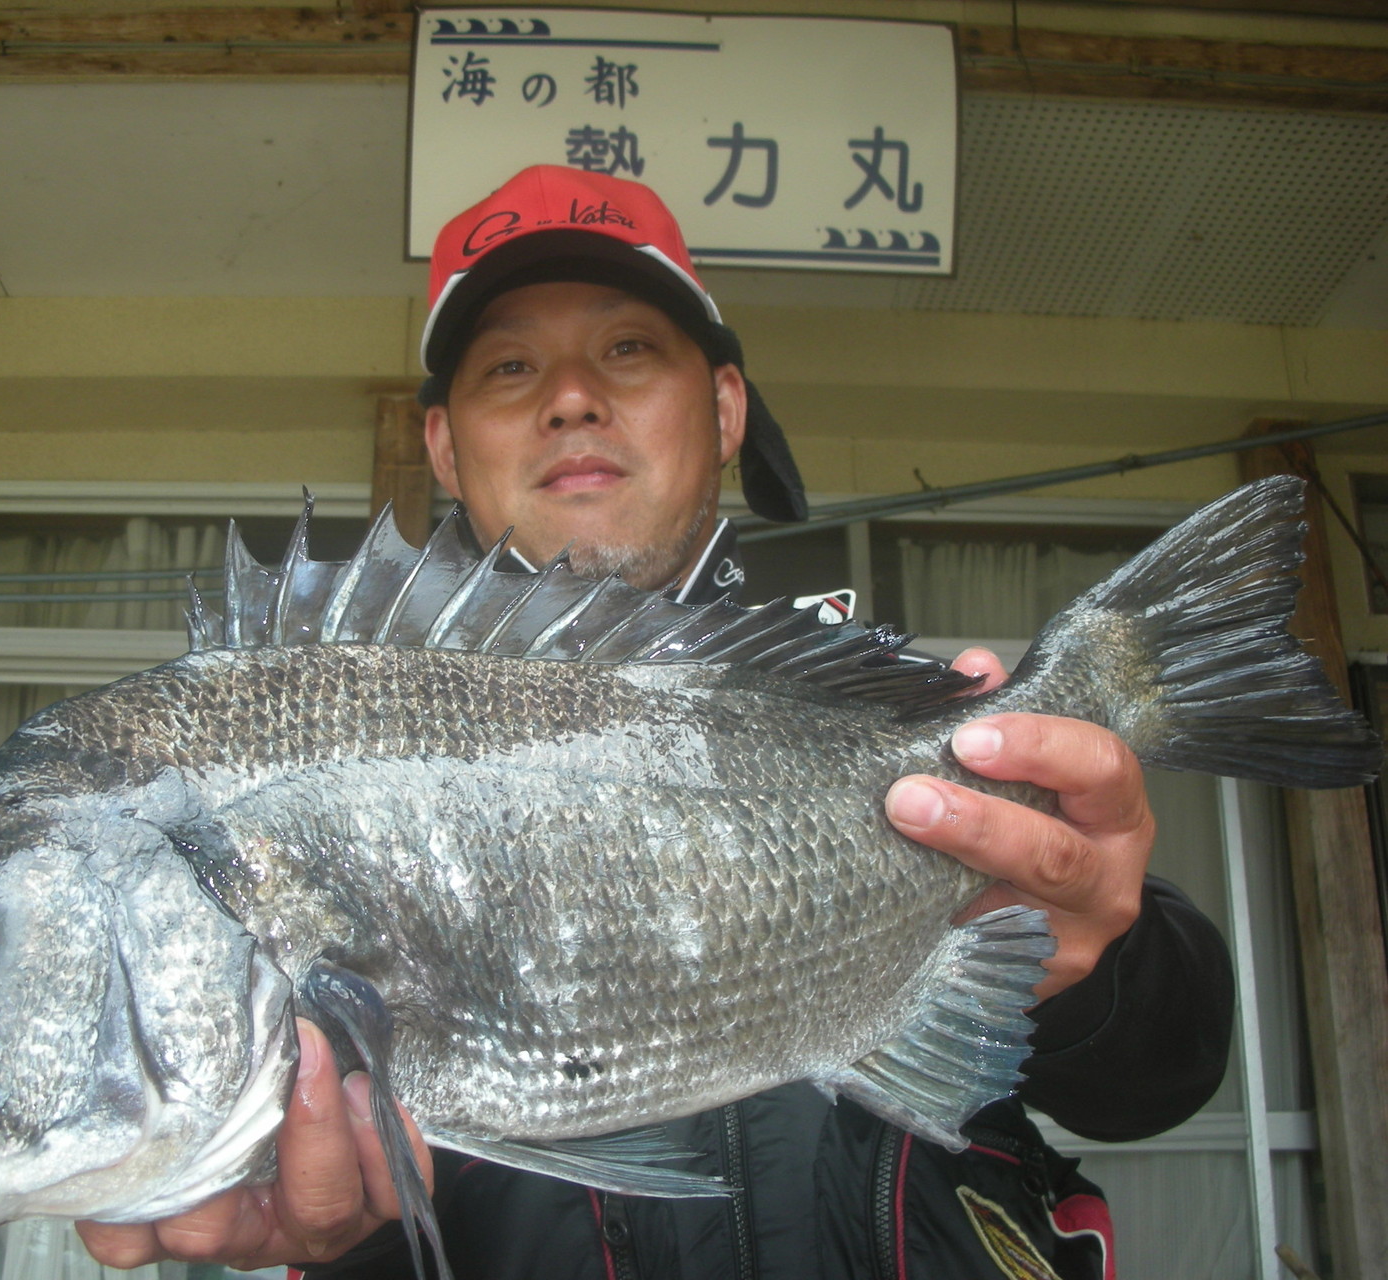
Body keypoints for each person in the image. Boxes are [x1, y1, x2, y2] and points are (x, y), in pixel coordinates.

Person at [78, 166, 1233, 1278]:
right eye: (508, 365)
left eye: (627, 348)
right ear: (441, 443)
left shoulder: (896, 730)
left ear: (724, 407)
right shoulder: (327, 734)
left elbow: (1158, 1080)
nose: (569, 396)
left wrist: (1097, 948)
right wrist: (354, 1233)